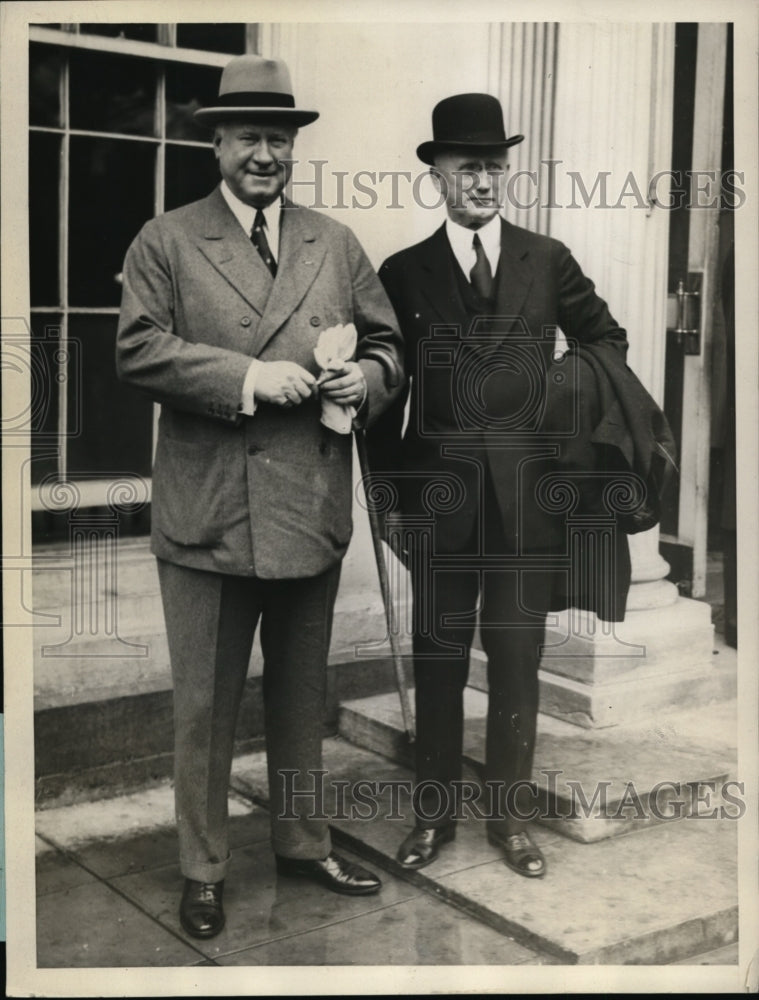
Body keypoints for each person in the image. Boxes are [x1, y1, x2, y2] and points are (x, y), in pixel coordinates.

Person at [116, 54, 403, 939]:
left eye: (278, 139)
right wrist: (247, 377)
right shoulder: (165, 239)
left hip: (306, 511)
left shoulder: (333, 241)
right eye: (248, 138)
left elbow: (391, 341)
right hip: (207, 514)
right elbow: (137, 351)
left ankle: (299, 839)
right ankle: (202, 868)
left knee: (299, 693)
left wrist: (364, 376)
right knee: (204, 707)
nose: (265, 155)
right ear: (217, 146)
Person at [366, 92, 636, 879]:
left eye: (494, 166)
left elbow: (605, 342)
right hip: (438, 502)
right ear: (438, 174)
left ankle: (510, 823)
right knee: (440, 656)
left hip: (526, 500)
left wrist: (554, 400)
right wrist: (386, 499)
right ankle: (432, 818)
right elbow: (387, 393)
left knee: (516, 657)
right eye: (467, 166)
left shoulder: (544, 259)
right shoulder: (402, 271)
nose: (482, 180)